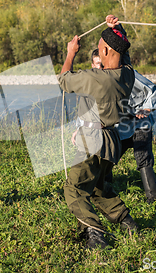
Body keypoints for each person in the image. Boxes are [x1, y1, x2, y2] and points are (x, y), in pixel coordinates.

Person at [58, 15, 137, 249]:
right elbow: (125, 55)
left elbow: (63, 80)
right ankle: (128, 223)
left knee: (74, 189)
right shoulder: (128, 75)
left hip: (91, 140)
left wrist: (71, 52)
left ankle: (95, 235)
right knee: (99, 188)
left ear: (103, 50)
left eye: (102, 47)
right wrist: (118, 29)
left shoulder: (96, 78)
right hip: (112, 141)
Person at [90, 51, 156, 204]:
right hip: (119, 129)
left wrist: (147, 109)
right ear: (93, 66)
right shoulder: (93, 83)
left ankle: (153, 198)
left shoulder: (127, 74)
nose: (102, 68)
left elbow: (152, 89)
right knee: (107, 158)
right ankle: (105, 195)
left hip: (140, 125)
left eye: (104, 64)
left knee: (143, 159)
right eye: (98, 65)